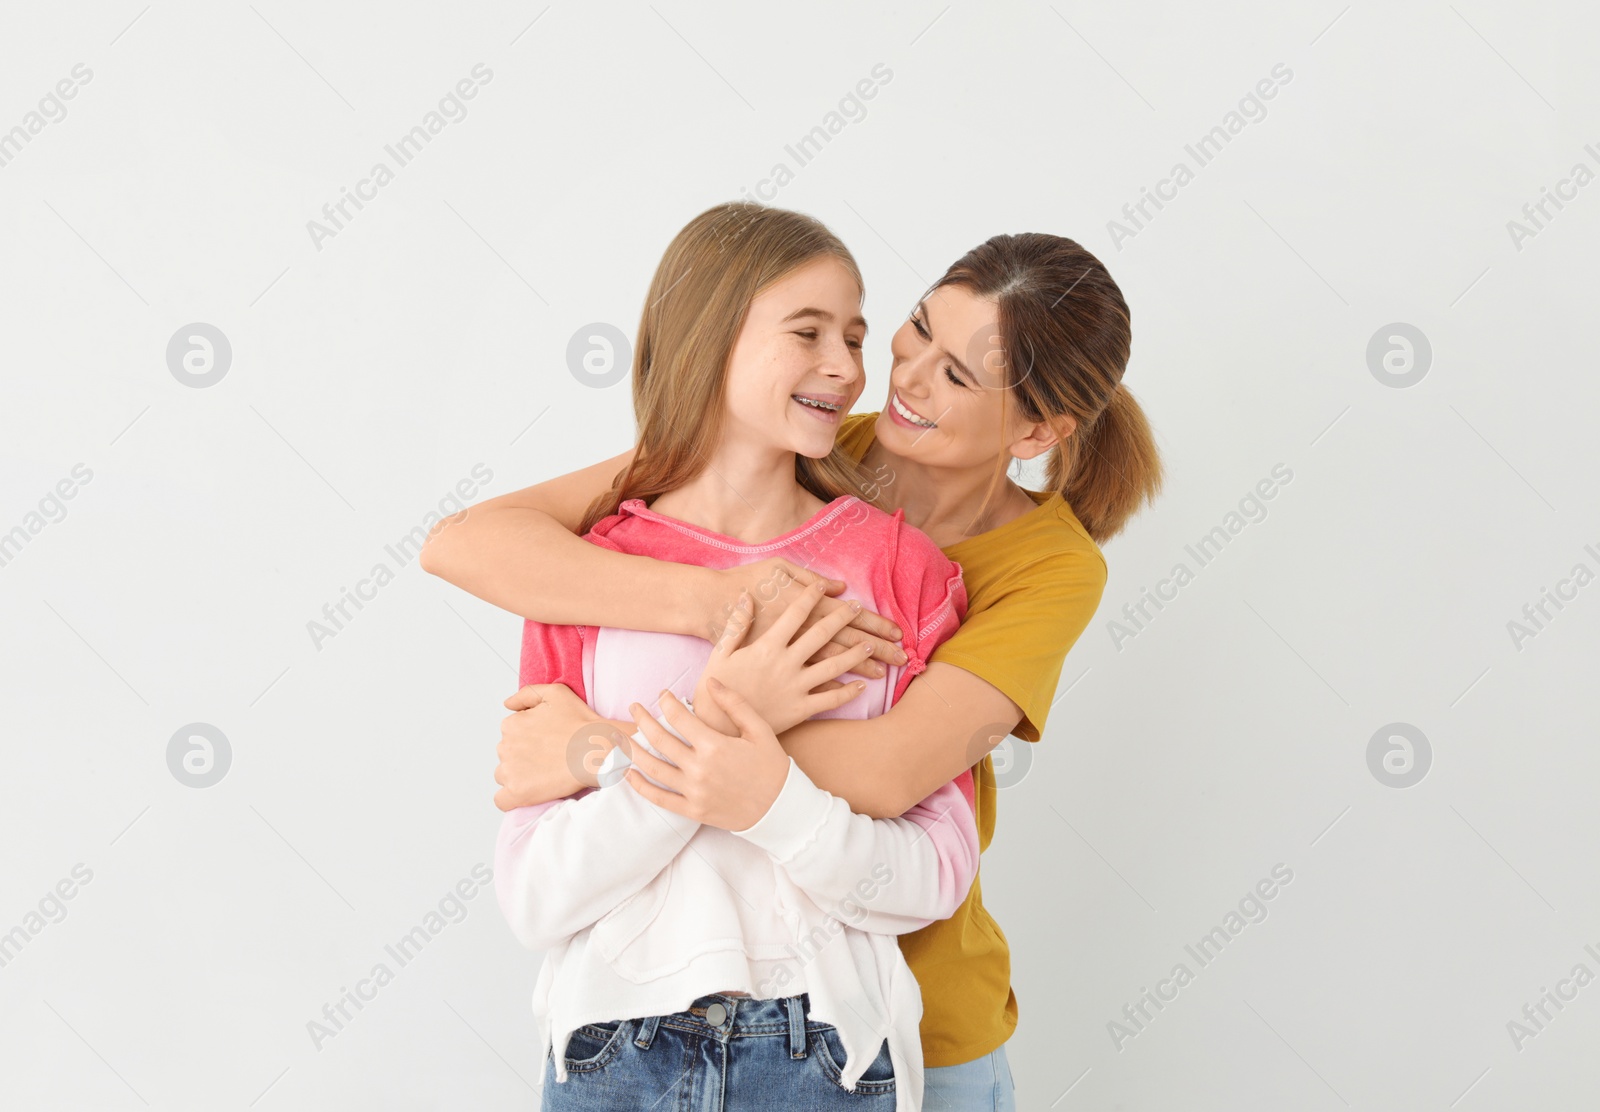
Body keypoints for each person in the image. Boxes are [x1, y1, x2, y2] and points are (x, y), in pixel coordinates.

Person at [424, 221, 1164, 1111]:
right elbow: (469, 544)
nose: (897, 374)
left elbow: (894, 772)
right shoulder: (805, 436)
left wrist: (612, 747)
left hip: (914, 1015)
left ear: (1038, 429)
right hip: (635, 1027)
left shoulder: (1041, 566)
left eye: (958, 374)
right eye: (918, 327)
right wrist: (720, 603)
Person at [483, 201, 981, 1111]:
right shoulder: (591, 569)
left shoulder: (899, 571)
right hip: (609, 1056)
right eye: (807, 332)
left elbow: (933, 876)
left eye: (856, 335)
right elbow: (535, 897)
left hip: (826, 1051)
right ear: (708, 342)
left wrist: (768, 801)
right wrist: (723, 723)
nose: (847, 366)